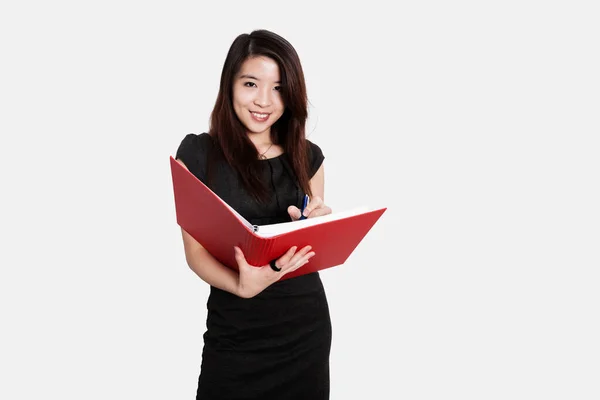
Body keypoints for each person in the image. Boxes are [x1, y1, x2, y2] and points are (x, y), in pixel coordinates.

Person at [174, 29, 333, 399]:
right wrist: (240, 286)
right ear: (229, 84)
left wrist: (316, 227)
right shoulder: (196, 155)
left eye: (278, 88)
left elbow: (308, 252)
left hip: (303, 328)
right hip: (235, 331)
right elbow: (194, 252)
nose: (264, 100)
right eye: (251, 83)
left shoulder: (307, 156)